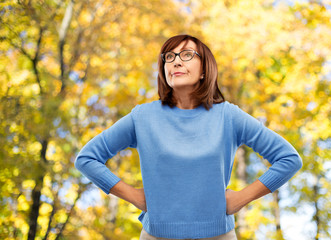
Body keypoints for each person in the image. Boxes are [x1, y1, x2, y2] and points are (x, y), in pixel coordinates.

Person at [74, 34, 303, 240]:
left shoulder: (228, 116)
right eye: (169, 57)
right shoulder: (142, 117)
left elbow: (289, 159)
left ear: (205, 69)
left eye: (187, 54)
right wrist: (135, 196)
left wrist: (241, 198)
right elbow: (87, 159)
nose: (176, 61)